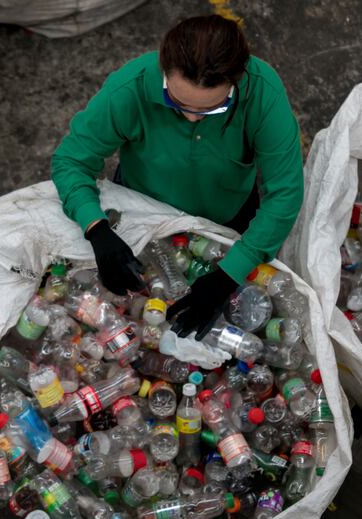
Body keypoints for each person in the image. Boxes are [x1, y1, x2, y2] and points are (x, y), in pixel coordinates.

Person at [51, 14, 303, 339]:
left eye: (212, 110)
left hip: (228, 217)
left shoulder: (263, 93)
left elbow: (284, 193)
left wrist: (229, 275)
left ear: (237, 81)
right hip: (142, 210)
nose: (192, 117)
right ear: (163, 71)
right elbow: (72, 159)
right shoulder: (130, 87)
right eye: (176, 102)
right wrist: (96, 228)